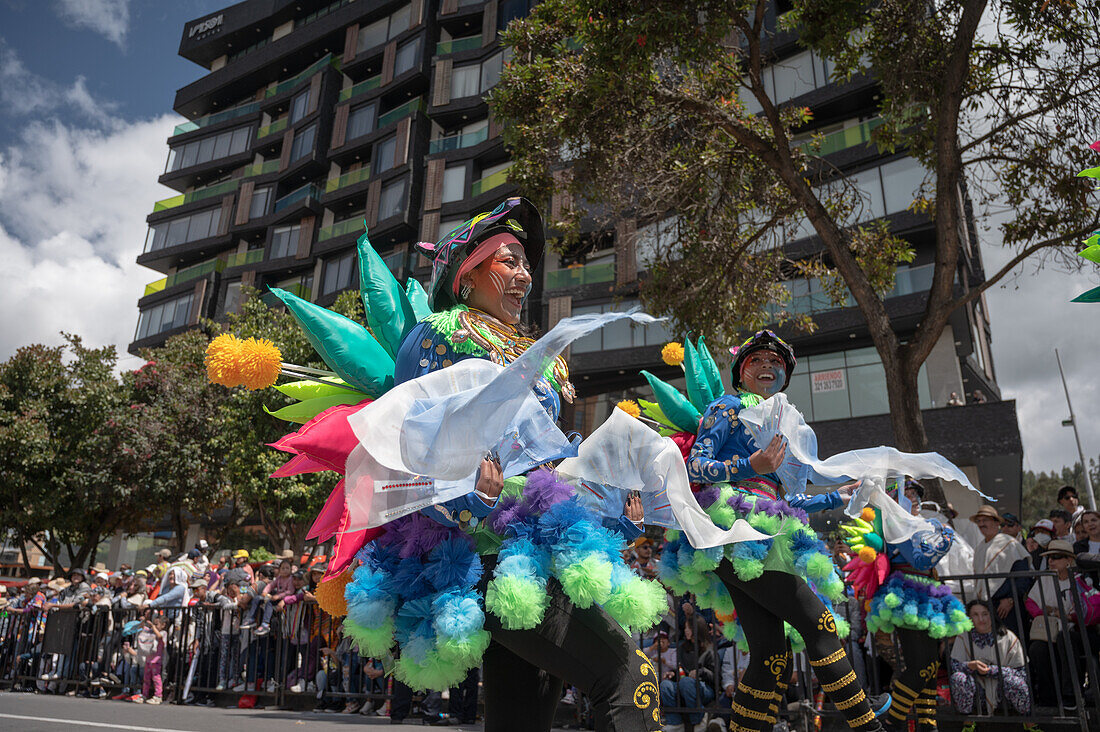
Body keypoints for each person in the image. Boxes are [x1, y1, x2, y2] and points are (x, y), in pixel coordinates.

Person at [263, 198, 667, 730]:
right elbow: (406, 450)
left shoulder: (533, 353)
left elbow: (551, 463)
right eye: (509, 261)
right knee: (626, 675)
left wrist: (612, 505)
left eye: (526, 265)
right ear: (467, 274)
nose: (525, 276)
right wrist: (469, 498)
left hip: (540, 553)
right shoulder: (438, 338)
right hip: (485, 559)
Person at [657, 331, 888, 732]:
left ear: (784, 376)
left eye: (776, 363)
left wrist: (837, 495)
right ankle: (867, 723)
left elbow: (784, 500)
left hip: (770, 534)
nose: (767, 367)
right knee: (817, 623)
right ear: (740, 373)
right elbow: (696, 466)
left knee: (770, 655)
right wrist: (750, 465)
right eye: (757, 361)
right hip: (731, 533)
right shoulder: (727, 408)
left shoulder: (784, 425)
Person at [841, 493, 968, 731]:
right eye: (905, 494)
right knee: (923, 665)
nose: (913, 499)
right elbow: (921, 560)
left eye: (915, 495)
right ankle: (893, 718)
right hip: (906, 597)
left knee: (930, 664)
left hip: (929, 596)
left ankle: (928, 724)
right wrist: (945, 538)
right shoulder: (894, 527)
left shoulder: (916, 526)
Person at [1024, 539, 1100, 707]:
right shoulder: (1044, 578)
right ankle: (1048, 698)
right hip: (1050, 628)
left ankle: (1071, 694)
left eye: (1056, 557)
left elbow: (1089, 612)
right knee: (1037, 649)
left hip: (1079, 631)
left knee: (1065, 638)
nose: (1051, 561)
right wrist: (1049, 613)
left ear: (1069, 560)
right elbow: (1031, 602)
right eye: (1049, 557)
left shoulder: (1082, 580)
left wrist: (1068, 617)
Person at [949, 600, 1029, 715]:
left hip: (1002, 692)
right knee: (958, 678)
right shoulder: (963, 637)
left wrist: (992, 670)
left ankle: (1028, 722)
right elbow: (954, 667)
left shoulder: (1008, 637)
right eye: (975, 615)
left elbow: (1021, 673)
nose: (981, 619)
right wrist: (970, 666)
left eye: (985, 614)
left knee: (1016, 683)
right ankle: (969, 721)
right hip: (977, 691)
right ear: (969, 619)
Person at [659, 615, 717, 731]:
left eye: (688, 628)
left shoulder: (709, 649)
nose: (685, 630)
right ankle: (675, 723)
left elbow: (716, 677)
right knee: (665, 685)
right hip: (684, 685)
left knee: (686, 682)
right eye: (685, 628)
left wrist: (700, 672)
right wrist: (672, 674)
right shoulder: (682, 647)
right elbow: (680, 669)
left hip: (704, 688)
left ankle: (699, 719)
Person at [970, 506, 1028, 600]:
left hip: (1007, 605)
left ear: (996, 523)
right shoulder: (979, 548)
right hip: (986, 604)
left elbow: (1022, 576)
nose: (981, 524)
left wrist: (1011, 599)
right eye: (978, 521)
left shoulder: (1010, 544)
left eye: (985, 520)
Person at [137, 615, 167, 704]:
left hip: (156, 660)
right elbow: (142, 628)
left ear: (163, 625)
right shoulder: (151, 632)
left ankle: (158, 695)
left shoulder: (163, 633)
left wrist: (153, 627)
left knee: (156, 678)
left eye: (156, 624)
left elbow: (159, 637)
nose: (154, 626)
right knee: (146, 678)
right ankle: (144, 695)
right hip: (149, 658)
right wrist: (143, 622)